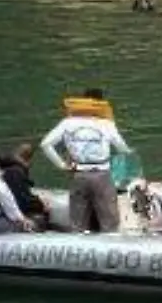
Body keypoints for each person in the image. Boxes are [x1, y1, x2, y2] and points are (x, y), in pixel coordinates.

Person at [39, 87, 133, 233]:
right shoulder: (106, 124)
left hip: (78, 174)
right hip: (102, 175)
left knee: (78, 223)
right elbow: (122, 149)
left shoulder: (67, 123)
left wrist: (62, 165)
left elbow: (45, 144)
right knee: (110, 224)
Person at [0, 142, 50, 230]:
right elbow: (23, 200)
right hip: (10, 214)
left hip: (0, 211)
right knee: (40, 219)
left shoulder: (2, 169)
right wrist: (41, 204)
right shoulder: (16, 172)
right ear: (28, 159)